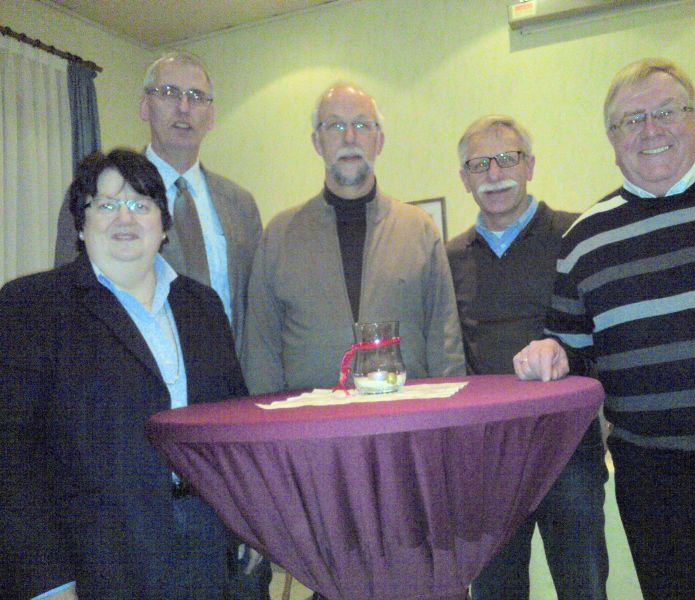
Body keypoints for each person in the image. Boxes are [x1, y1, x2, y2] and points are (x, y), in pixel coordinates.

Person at [514, 58, 695, 599]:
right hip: (656, 479)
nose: (651, 130)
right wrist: (550, 353)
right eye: (631, 120)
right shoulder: (584, 240)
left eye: (666, 111)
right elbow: (574, 351)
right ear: (611, 138)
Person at [0, 149, 244, 599]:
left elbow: (236, 428)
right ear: (80, 224)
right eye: (106, 205)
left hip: (210, 548)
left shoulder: (203, 306)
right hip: (99, 563)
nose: (124, 218)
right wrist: (48, 583)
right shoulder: (29, 307)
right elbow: (13, 458)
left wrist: (253, 527)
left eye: (140, 204)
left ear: (163, 224)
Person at [446, 115, 608, 600]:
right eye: (479, 164)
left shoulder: (578, 236)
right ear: (465, 178)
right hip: (486, 459)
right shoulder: (448, 258)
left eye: (507, 158)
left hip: (568, 449)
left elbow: (607, 335)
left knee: (583, 587)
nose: (494, 173)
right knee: (496, 591)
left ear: (530, 165)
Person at [242, 82, 465, 395]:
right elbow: (261, 351)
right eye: (335, 126)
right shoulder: (279, 237)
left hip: (404, 423)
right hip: (310, 431)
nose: (349, 137)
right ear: (317, 142)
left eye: (361, 125)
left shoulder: (419, 230)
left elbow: (446, 340)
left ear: (380, 141)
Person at [54, 52, 262, 355]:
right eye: (168, 93)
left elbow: (254, 310)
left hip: (226, 380)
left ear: (211, 116)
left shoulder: (240, 204)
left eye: (197, 96)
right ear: (144, 107)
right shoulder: (96, 196)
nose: (184, 107)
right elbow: (70, 299)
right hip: (132, 382)